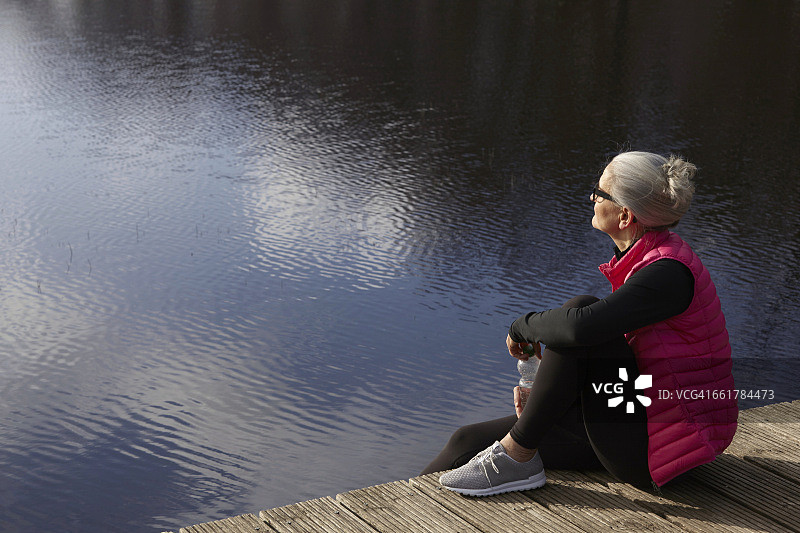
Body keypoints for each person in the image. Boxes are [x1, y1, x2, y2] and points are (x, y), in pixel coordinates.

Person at [422, 151, 738, 496]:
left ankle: (517, 456)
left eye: (600, 193)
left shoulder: (669, 273)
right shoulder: (651, 260)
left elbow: (580, 328)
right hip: (642, 422)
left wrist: (521, 326)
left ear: (624, 214)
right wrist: (550, 394)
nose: (592, 198)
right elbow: (626, 360)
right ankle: (410, 504)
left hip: (664, 450)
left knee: (580, 314)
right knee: (466, 440)